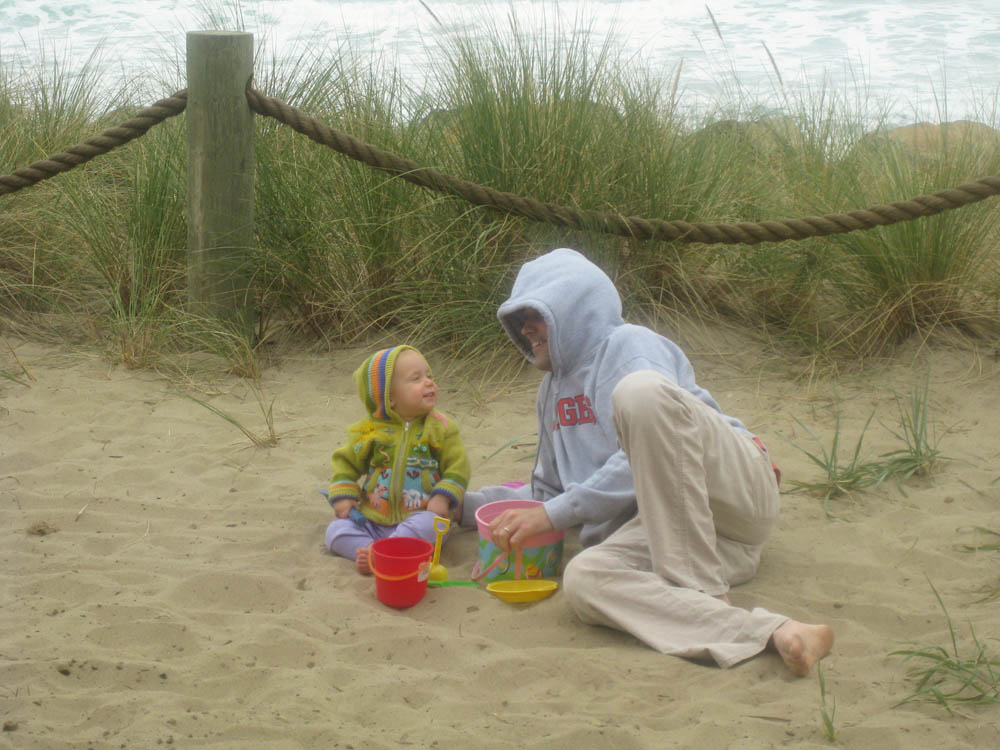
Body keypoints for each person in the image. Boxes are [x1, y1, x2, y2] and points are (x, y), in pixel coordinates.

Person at [465, 247, 833, 676]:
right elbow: (551, 496)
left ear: (574, 308)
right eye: (518, 318)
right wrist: (461, 506)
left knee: (639, 393)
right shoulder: (550, 393)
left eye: (537, 314)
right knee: (585, 578)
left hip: (733, 489)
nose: (526, 327)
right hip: (690, 533)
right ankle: (771, 632)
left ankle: (701, 590)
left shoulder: (627, 345)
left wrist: (553, 513)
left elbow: (643, 455)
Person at [325, 345, 470, 575]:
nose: (429, 382)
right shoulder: (369, 431)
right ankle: (374, 552)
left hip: (419, 517)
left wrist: (442, 496)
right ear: (389, 398)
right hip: (372, 520)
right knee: (335, 531)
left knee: (429, 525)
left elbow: (458, 466)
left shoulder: (439, 427)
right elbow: (346, 464)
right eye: (416, 378)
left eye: (429, 376)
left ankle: (385, 553)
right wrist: (343, 496)